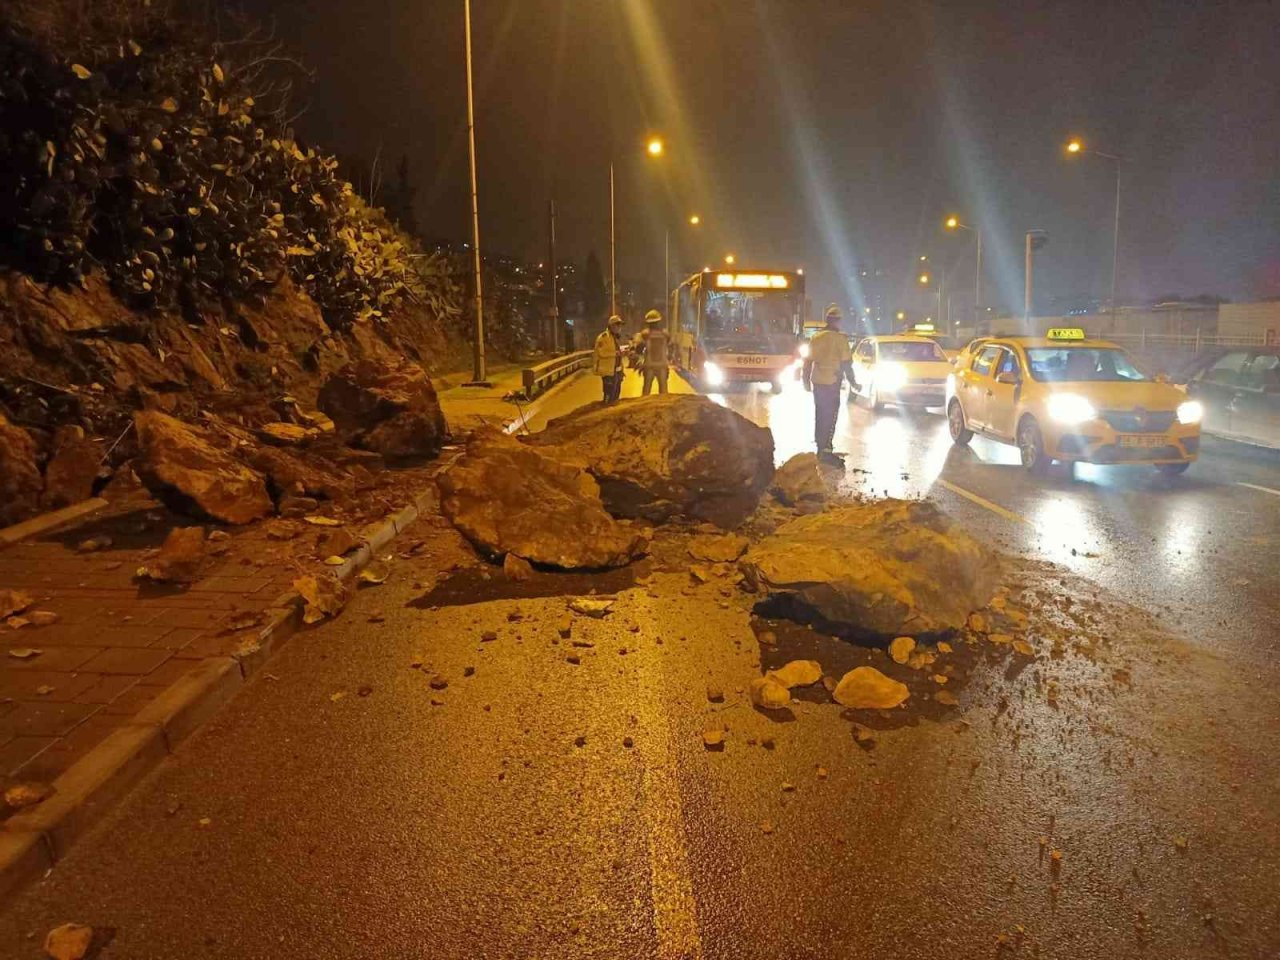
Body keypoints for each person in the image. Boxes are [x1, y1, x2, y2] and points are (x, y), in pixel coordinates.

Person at [803, 304, 855, 461]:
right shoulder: (841, 339)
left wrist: (805, 381)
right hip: (833, 382)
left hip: (818, 381)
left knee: (820, 413)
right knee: (831, 414)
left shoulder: (816, 338)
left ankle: (820, 446)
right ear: (838, 321)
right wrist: (853, 382)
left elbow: (808, 361)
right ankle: (826, 449)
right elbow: (847, 364)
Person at [593, 315, 625, 404]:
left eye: (620, 325)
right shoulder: (604, 337)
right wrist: (616, 353)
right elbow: (601, 353)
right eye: (617, 325)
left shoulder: (615, 337)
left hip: (616, 370)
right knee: (609, 394)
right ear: (611, 326)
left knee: (616, 395)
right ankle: (605, 411)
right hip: (608, 371)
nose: (619, 327)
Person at [639, 309, 671, 396]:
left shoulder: (645, 334)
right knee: (663, 392)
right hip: (662, 366)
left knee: (646, 392)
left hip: (650, 366)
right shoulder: (665, 334)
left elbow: (639, 349)